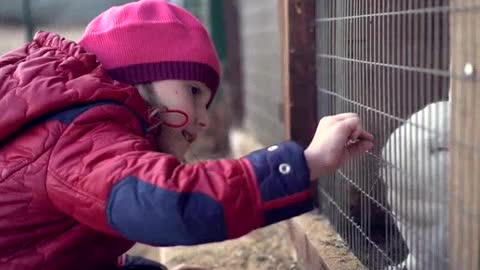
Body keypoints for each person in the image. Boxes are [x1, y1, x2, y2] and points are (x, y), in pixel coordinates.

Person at [0, 1, 374, 269]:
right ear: (135, 74)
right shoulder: (82, 134)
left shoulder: (70, 116)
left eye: (207, 102)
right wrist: (304, 164)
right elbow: (168, 204)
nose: (202, 119)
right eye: (193, 92)